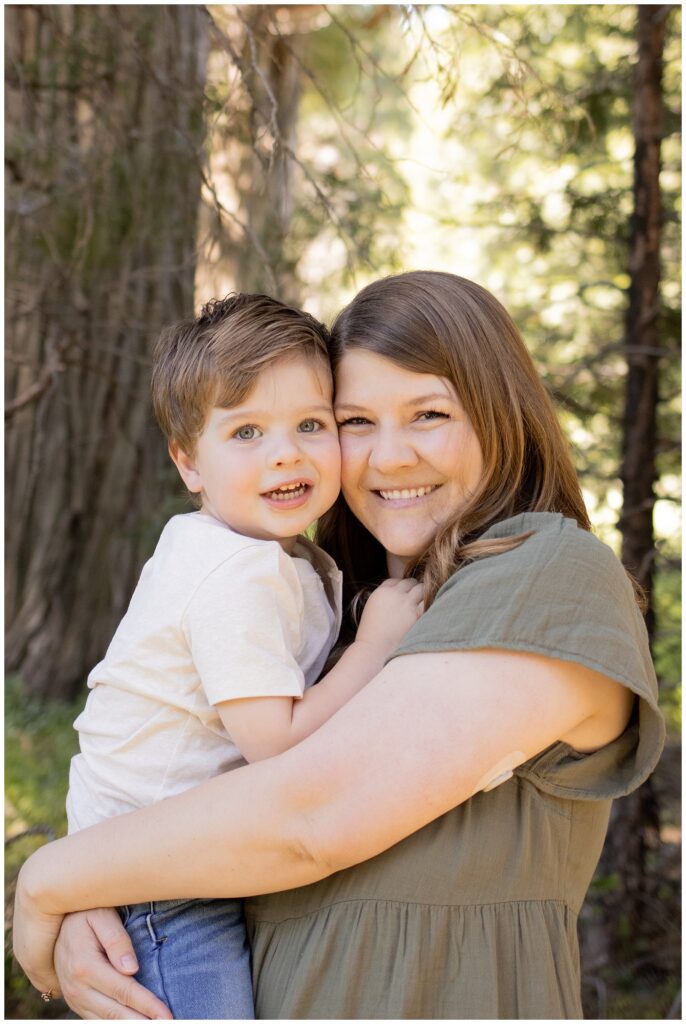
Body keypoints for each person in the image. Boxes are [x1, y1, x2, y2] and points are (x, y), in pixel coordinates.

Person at [13, 271, 664, 1020]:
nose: (388, 458)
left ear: (501, 412)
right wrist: (102, 911)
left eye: (428, 413)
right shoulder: (335, 620)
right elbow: (198, 800)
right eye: (355, 421)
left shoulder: (548, 572)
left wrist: (53, 879)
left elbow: (308, 816)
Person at [59, 293, 423, 1020]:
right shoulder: (234, 572)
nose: (286, 452)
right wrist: (379, 644)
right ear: (188, 462)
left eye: (311, 425)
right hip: (159, 889)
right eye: (247, 430)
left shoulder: (272, 556)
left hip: (164, 860)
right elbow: (275, 742)